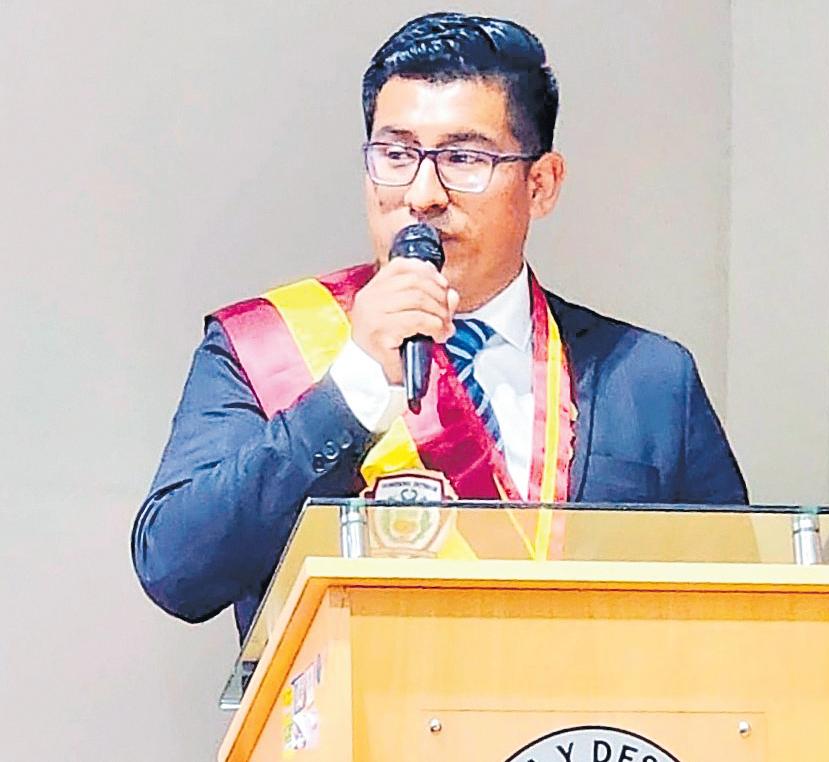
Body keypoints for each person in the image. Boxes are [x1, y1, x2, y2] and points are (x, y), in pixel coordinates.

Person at [132, 12, 747, 640]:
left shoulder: (647, 377)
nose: (423, 194)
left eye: (463, 157)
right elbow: (177, 570)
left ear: (541, 184)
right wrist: (355, 388)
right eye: (396, 154)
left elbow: (746, 620)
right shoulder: (265, 347)